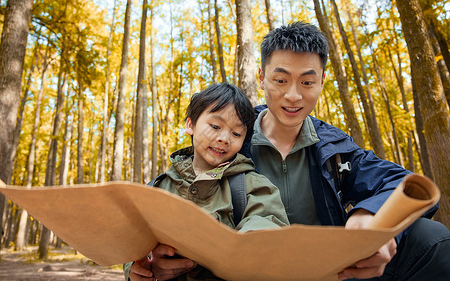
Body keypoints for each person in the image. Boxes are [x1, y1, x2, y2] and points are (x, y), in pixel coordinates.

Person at [128, 22, 450, 281]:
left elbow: (405, 183)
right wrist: (148, 263)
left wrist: (369, 218)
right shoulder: (231, 138)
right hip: (245, 274)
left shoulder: (334, 148)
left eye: (307, 82)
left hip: (332, 273)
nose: (293, 95)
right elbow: (175, 197)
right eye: (280, 79)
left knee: (432, 239)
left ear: (322, 81)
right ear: (262, 77)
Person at [124, 82, 289, 281]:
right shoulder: (157, 188)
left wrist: (246, 246)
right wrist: (138, 269)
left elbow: (268, 222)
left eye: (236, 133)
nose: (224, 138)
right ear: (190, 124)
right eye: (215, 126)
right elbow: (134, 242)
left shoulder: (252, 186)